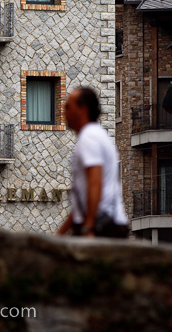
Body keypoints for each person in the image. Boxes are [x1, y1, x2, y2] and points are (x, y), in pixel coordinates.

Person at [57, 87, 129, 238]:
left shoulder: (89, 137)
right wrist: (61, 232)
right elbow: (82, 198)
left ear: (82, 110)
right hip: (101, 224)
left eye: (68, 106)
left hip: (102, 227)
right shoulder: (96, 134)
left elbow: (95, 182)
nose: (64, 112)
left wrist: (89, 227)